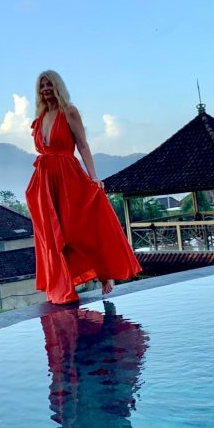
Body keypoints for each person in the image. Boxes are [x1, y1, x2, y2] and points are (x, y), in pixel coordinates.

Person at [25, 69, 142, 304]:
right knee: (54, 237)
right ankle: (62, 285)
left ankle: (105, 273)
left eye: (49, 84)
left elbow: (83, 145)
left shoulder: (69, 112)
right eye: (42, 86)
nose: (46, 89)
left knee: (76, 231)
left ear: (57, 86)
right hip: (45, 182)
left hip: (68, 177)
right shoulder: (39, 120)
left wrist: (93, 176)